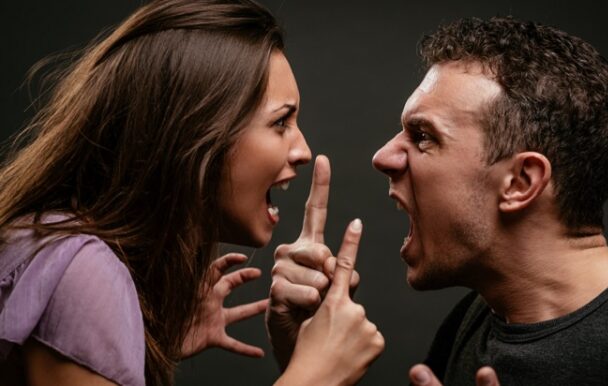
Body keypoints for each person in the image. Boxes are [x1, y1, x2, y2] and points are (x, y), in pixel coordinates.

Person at [269, 16, 608, 385]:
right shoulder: (484, 316)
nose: (383, 156)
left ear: (521, 181)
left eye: (422, 136)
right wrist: (308, 365)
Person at [0, 1, 383, 385]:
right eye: (280, 121)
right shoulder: (80, 269)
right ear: (195, 134)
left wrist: (145, 339)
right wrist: (313, 376)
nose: (303, 151)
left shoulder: (50, 239)